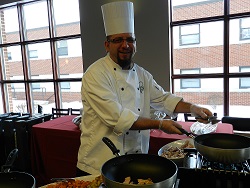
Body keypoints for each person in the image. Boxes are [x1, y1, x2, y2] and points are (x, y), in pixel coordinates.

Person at [76, 1, 212, 176]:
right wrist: (161, 124)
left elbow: (163, 99)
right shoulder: (95, 74)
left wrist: (193, 108)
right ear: (107, 45)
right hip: (98, 164)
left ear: (135, 43)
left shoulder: (142, 75)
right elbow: (118, 118)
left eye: (129, 39)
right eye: (118, 40)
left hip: (135, 161)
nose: (125, 45)